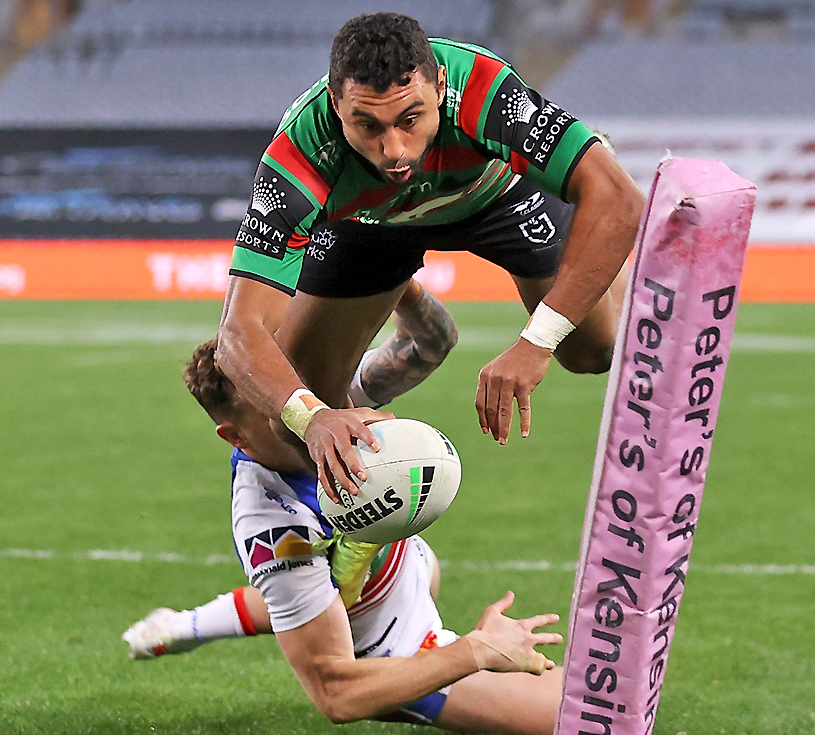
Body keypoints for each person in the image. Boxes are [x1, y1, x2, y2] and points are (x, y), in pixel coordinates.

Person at [216, 12, 646, 506]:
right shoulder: (299, 152)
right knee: (292, 426)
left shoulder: (483, 88)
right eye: (367, 125)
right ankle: (382, 537)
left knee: (589, 354)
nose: (394, 150)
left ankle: (621, 266)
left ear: (441, 86)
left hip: (495, 196)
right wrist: (313, 418)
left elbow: (621, 198)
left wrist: (536, 342)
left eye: (410, 119)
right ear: (335, 104)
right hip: (371, 227)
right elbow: (239, 332)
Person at [124, 281, 565, 735]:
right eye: (275, 416)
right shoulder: (275, 528)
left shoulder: (312, 400)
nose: (307, 419)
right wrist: (476, 651)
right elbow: (337, 693)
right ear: (237, 437)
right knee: (584, 717)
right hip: (397, 653)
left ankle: (185, 625)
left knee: (323, 582)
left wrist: (397, 283)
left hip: (403, 569)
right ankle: (407, 683)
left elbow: (432, 342)